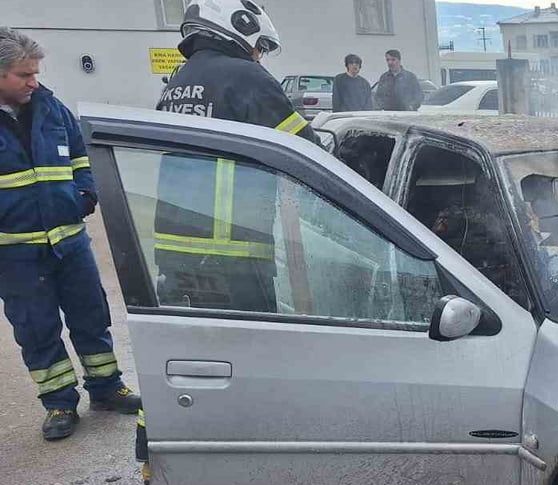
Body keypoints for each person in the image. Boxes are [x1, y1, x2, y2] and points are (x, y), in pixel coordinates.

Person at [0, 28, 142, 441]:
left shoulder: (50, 108)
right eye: (24, 74)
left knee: (91, 315)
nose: (34, 82)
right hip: (16, 255)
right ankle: (60, 402)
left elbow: (81, 153)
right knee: (37, 328)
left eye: (36, 72)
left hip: (70, 241)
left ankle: (106, 387)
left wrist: (87, 190)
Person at [154, 0, 320, 313]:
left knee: (203, 351)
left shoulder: (177, 82)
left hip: (174, 250)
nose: (260, 56)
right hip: (232, 255)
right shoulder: (245, 76)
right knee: (255, 351)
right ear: (241, 29)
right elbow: (306, 150)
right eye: (261, 47)